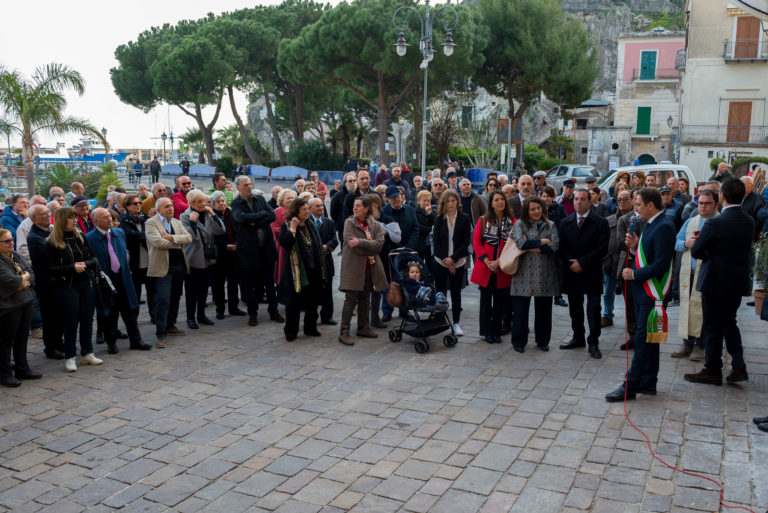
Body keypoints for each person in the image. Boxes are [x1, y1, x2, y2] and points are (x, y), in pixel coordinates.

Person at [606, 188, 676, 402]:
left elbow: (661, 264)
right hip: (641, 292)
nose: (635, 209)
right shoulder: (649, 223)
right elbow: (648, 254)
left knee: (643, 339)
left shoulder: (664, 226)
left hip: (651, 290)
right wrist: (636, 248)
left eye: (638, 205)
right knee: (650, 338)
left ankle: (631, 385)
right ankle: (648, 380)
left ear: (651, 205)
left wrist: (635, 274)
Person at [685, 179, 754, 386]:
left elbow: (696, 251)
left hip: (714, 280)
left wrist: (709, 251)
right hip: (736, 281)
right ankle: (739, 365)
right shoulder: (749, 221)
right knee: (729, 322)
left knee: (714, 326)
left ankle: (712, 369)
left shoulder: (715, 222)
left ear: (722, 196)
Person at [87, 208, 151, 354]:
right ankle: (111, 342)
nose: (109, 219)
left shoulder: (119, 232)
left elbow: (124, 253)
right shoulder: (90, 238)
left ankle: (136, 340)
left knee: (130, 311)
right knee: (109, 313)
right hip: (106, 281)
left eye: (109, 216)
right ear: (95, 221)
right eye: (104, 217)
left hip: (123, 278)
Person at [46, 207, 103, 371]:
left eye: (74, 217)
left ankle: (87, 353)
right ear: (62, 220)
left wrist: (85, 264)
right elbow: (50, 269)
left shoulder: (81, 237)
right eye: (70, 218)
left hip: (87, 284)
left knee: (87, 319)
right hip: (67, 286)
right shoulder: (51, 242)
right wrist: (72, 267)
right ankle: (70, 357)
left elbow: (94, 259)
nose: (74, 220)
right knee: (71, 321)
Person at [559, 188, 610, 359]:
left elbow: (602, 248)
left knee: (594, 308)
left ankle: (593, 342)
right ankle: (578, 337)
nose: (579, 202)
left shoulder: (601, 223)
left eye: (582, 199)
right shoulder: (565, 222)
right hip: (572, 271)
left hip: (592, 271)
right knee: (575, 307)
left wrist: (583, 262)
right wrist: (571, 263)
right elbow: (562, 247)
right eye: (576, 199)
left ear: (589, 201)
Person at [671, 188, 719, 361]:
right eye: (700, 203)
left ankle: (701, 345)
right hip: (688, 273)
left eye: (707, 204)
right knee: (687, 307)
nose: (703, 207)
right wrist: (686, 242)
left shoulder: (720, 222)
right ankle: (687, 343)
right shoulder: (691, 222)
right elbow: (676, 242)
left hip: (708, 274)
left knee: (703, 310)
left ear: (716, 204)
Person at [231, 176, 284, 327]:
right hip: (247, 252)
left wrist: (254, 221)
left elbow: (272, 215)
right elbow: (240, 218)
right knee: (249, 286)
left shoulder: (260, 200)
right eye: (245, 185)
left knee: (269, 283)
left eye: (250, 184)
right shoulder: (236, 203)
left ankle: (273, 311)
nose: (249, 187)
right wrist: (261, 216)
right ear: (238, 188)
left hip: (265, 250)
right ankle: (252, 314)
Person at [509, 197, 560, 352]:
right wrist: (543, 242)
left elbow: (555, 245)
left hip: (545, 274)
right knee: (520, 312)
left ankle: (543, 341)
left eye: (538, 208)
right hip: (523, 274)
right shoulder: (519, 224)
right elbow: (520, 243)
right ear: (526, 211)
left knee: (544, 312)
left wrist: (533, 247)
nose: (536, 211)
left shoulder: (550, 224)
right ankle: (519, 342)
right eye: (532, 209)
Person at [338, 196, 388, 346]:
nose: (355, 208)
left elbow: (379, 245)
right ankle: (344, 331)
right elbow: (349, 241)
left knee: (365, 297)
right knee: (350, 299)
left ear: (366, 208)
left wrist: (360, 242)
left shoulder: (376, 225)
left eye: (358, 206)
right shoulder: (349, 222)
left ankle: (363, 327)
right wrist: (368, 246)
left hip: (370, 267)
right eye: (354, 205)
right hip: (353, 267)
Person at [146, 198, 194, 348]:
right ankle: (160, 333)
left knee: (175, 297)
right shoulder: (151, 223)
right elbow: (158, 242)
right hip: (163, 268)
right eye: (167, 206)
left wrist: (172, 237)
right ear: (158, 209)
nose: (171, 208)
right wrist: (178, 242)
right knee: (163, 299)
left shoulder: (176, 222)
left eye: (172, 205)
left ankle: (170, 325)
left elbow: (189, 238)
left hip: (179, 266)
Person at [277, 198, 325, 341]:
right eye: (304, 209)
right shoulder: (288, 224)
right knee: (294, 304)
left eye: (307, 209)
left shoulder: (310, 224)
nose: (307, 212)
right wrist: (292, 228)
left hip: (313, 270)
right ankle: (291, 331)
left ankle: (310, 328)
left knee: (312, 301)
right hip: (296, 272)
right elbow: (284, 243)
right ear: (296, 211)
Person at [470, 191, 515, 344]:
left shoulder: (512, 221)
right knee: (485, 302)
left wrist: (499, 261)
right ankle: (487, 331)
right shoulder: (484, 220)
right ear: (491, 203)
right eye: (496, 200)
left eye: (502, 199)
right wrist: (488, 261)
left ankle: (496, 331)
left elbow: (512, 245)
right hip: (486, 267)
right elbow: (476, 243)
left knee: (500, 303)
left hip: (502, 267)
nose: (500, 202)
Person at [0, 228, 41, 387]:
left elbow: (31, 272)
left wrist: (24, 280)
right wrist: (23, 280)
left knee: (22, 338)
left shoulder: (14, 255)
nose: (11, 243)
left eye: (12, 239)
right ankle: (4, 374)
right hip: (8, 306)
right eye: (7, 241)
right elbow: (12, 282)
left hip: (25, 300)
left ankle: (22, 368)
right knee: (6, 341)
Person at [180, 190, 225, 329]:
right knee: (191, 290)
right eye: (198, 202)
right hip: (193, 257)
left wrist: (214, 215)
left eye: (203, 201)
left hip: (207, 257)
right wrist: (193, 222)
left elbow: (221, 230)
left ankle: (201, 315)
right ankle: (190, 318)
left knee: (204, 289)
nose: (202, 204)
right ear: (191, 203)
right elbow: (191, 238)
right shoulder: (185, 216)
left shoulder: (208, 214)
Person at [26, 205, 64, 359]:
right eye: (43, 214)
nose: (48, 215)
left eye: (48, 212)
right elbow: (54, 251)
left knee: (60, 314)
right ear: (34, 219)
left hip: (57, 279)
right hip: (46, 282)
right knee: (49, 317)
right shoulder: (34, 236)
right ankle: (50, 348)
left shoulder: (51, 229)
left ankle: (58, 341)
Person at [432, 189, 471, 336]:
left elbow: (465, 242)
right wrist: (447, 261)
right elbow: (436, 243)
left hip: (458, 261)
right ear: (444, 203)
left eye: (453, 200)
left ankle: (456, 323)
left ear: (457, 201)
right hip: (440, 261)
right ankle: (440, 320)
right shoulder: (439, 219)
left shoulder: (464, 218)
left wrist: (453, 259)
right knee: (441, 292)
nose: (450, 203)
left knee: (456, 293)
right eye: (447, 201)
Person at [601, 189, 634, 328]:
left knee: (629, 294)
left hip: (628, 261)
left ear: (632, 200)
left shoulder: (636, 219)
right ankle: (607, 314)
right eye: (619, 199)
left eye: (625, 199)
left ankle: (632, 319)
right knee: (608, 291)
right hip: (611, 260)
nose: (621, 202)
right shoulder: (610, 220)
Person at [120, 194, 154, 322]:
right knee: (136, 293)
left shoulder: (146, 218)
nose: (138, 205)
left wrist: (140, 235)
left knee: (152, 291)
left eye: (139, 202)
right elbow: (130, 237)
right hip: (134, 263)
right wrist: (146, 235)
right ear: (127, 206)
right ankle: (133, 318)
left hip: (149, 261)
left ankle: (154, 315)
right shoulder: (124, 221)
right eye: (135, 203)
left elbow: (151, 235)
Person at [210, 190, 244, 319]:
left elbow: (238, 230)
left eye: (223, 201)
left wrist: (236, 244)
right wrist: (224, 246)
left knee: (233, 282)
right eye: (218, 202)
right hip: (219, 254)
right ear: (213, 204)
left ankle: (233, 307)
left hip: (233, 253)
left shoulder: (231, 214)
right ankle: (220, 310)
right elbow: (211, 237)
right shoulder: (212, 216)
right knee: (218, 283)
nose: (221, 204)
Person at [368, 194, 399, 328]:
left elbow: (396, 238)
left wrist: (383, 228)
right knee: (368, 288)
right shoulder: (365, 220)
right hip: (368, 258)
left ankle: (376, 317)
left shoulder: (387, 219)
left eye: (368, 205)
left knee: (380, 288)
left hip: (383, 258)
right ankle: (369, 318)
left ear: (376, 204)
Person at [271, 189, 297, 285]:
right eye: (288, 198)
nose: (291, 200)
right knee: (283, 271)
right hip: (282, 246)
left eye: (293, 198)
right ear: (281, 200)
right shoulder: (276, 212)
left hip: (296, 244)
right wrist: (291, 232)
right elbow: (275, 230)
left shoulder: (297, 211)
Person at [331, 172, 356, 242]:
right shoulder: (338, 196)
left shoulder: (359, 195)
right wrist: (340, 223)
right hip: (343, 228)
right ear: (345, 183)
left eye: (354, 180)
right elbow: (333, 213)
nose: (353, 183)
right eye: (350, 181)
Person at [414, 190, 436, 262]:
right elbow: (418, 227)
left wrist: (430, 214)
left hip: (430, 243)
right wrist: (430, 229)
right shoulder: (415, 212)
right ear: (419, 201)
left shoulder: (433, 212)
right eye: (424, 200)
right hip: (420, 243)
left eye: (428, 201)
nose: (427, 203)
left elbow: (436, 224)